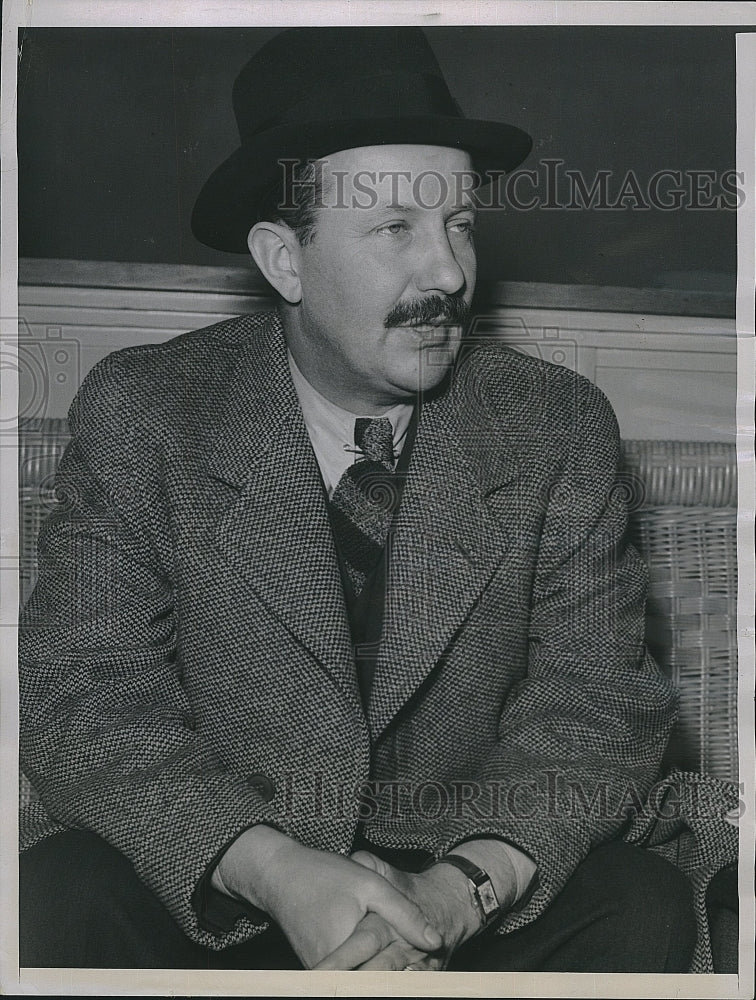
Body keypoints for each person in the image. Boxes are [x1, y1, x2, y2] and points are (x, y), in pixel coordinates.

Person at [18, 26, 702, 972]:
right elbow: (82, 698)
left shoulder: (557, 426)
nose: (450, 273)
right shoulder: (147, 414)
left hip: (466, 883)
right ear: (283, 260)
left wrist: (460, 889)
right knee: (59, 894)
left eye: (460, 222)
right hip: (232, 889)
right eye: (395, 230)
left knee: (641, 903)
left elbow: (600, 705)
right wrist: (268, 867)